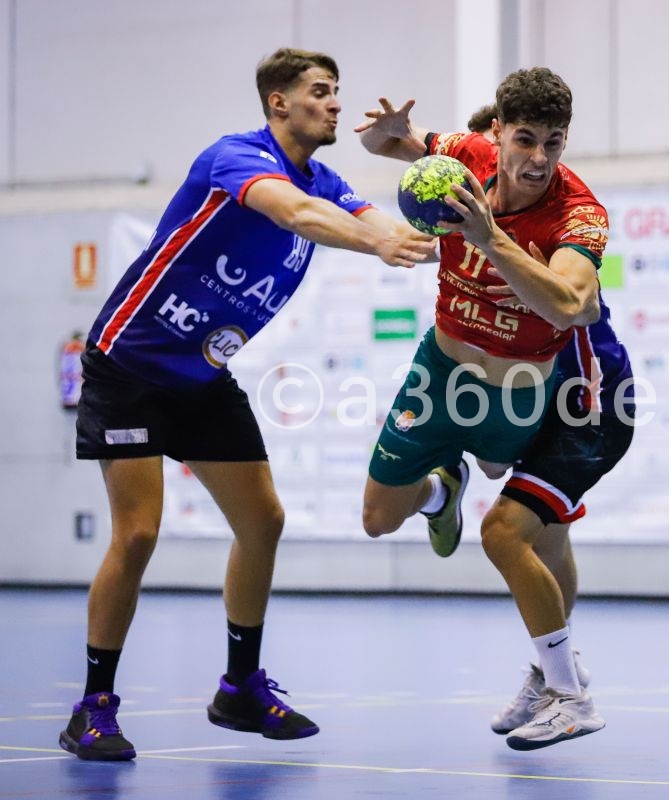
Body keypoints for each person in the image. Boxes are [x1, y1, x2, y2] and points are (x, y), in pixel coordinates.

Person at [62, 48, 435, 762]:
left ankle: (238, 688)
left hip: (203, 376)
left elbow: (379, 223)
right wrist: (372, 243)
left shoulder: (327, 178)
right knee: (137, 536)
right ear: (277, 104)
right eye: (320, 93)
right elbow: (294, 213)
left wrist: (463, 238)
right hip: (131, 365)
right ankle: (93, 708)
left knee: (262, 521)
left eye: (336, 93)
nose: (334, 105)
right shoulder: (235, 157)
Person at [356, 68, 613, 749]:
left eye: (553, 144)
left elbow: (570, 302)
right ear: (494, 133)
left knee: (527, 520)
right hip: (440, 370)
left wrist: (487, 235)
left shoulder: (579, 212)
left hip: (518, 392)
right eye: (524, 139)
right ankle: (442, 498)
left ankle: (558, 679)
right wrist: (388, 136)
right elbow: (396, 144)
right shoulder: (461, 159)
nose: (537, 159)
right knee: (379, 520)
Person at [462, 103, 638, 745]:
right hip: (534, 403)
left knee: (503, 532)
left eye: (546, 144)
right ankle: (548, 671)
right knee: (549, 542)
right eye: (510, 146)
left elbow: (578, 300)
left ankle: (572, 697)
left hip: (587, 409)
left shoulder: (563, 222)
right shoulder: (475, 216)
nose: (524, 162)